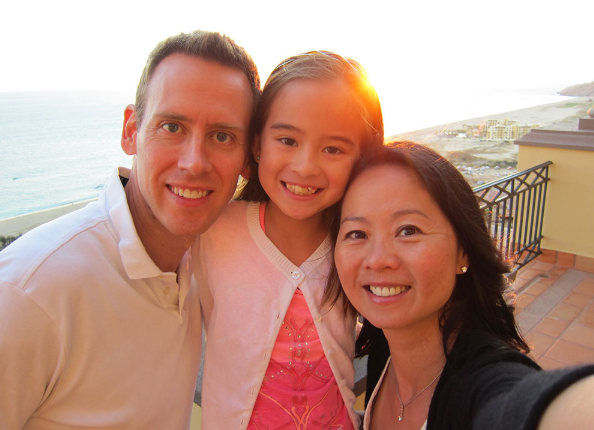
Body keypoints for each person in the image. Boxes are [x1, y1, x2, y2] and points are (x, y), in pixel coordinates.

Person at [0, 30, 260, 429]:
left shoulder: (202, 266)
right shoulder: (31, 292)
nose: (194, 162)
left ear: (246, 159)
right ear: (130, 131)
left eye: (222, 136)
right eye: (172, 127)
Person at [326, 141, 594, 430]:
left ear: (463, 250)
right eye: (357, 233)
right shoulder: (384, 350)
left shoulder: (482, 384)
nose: (377, 260)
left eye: (408, 230)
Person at [192, 51, 384, 429]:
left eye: (333, 149)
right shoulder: (214, 229)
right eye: (287, 139)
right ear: (257, 143)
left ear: (362, 159)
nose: (305, 166)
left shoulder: (359, 244)